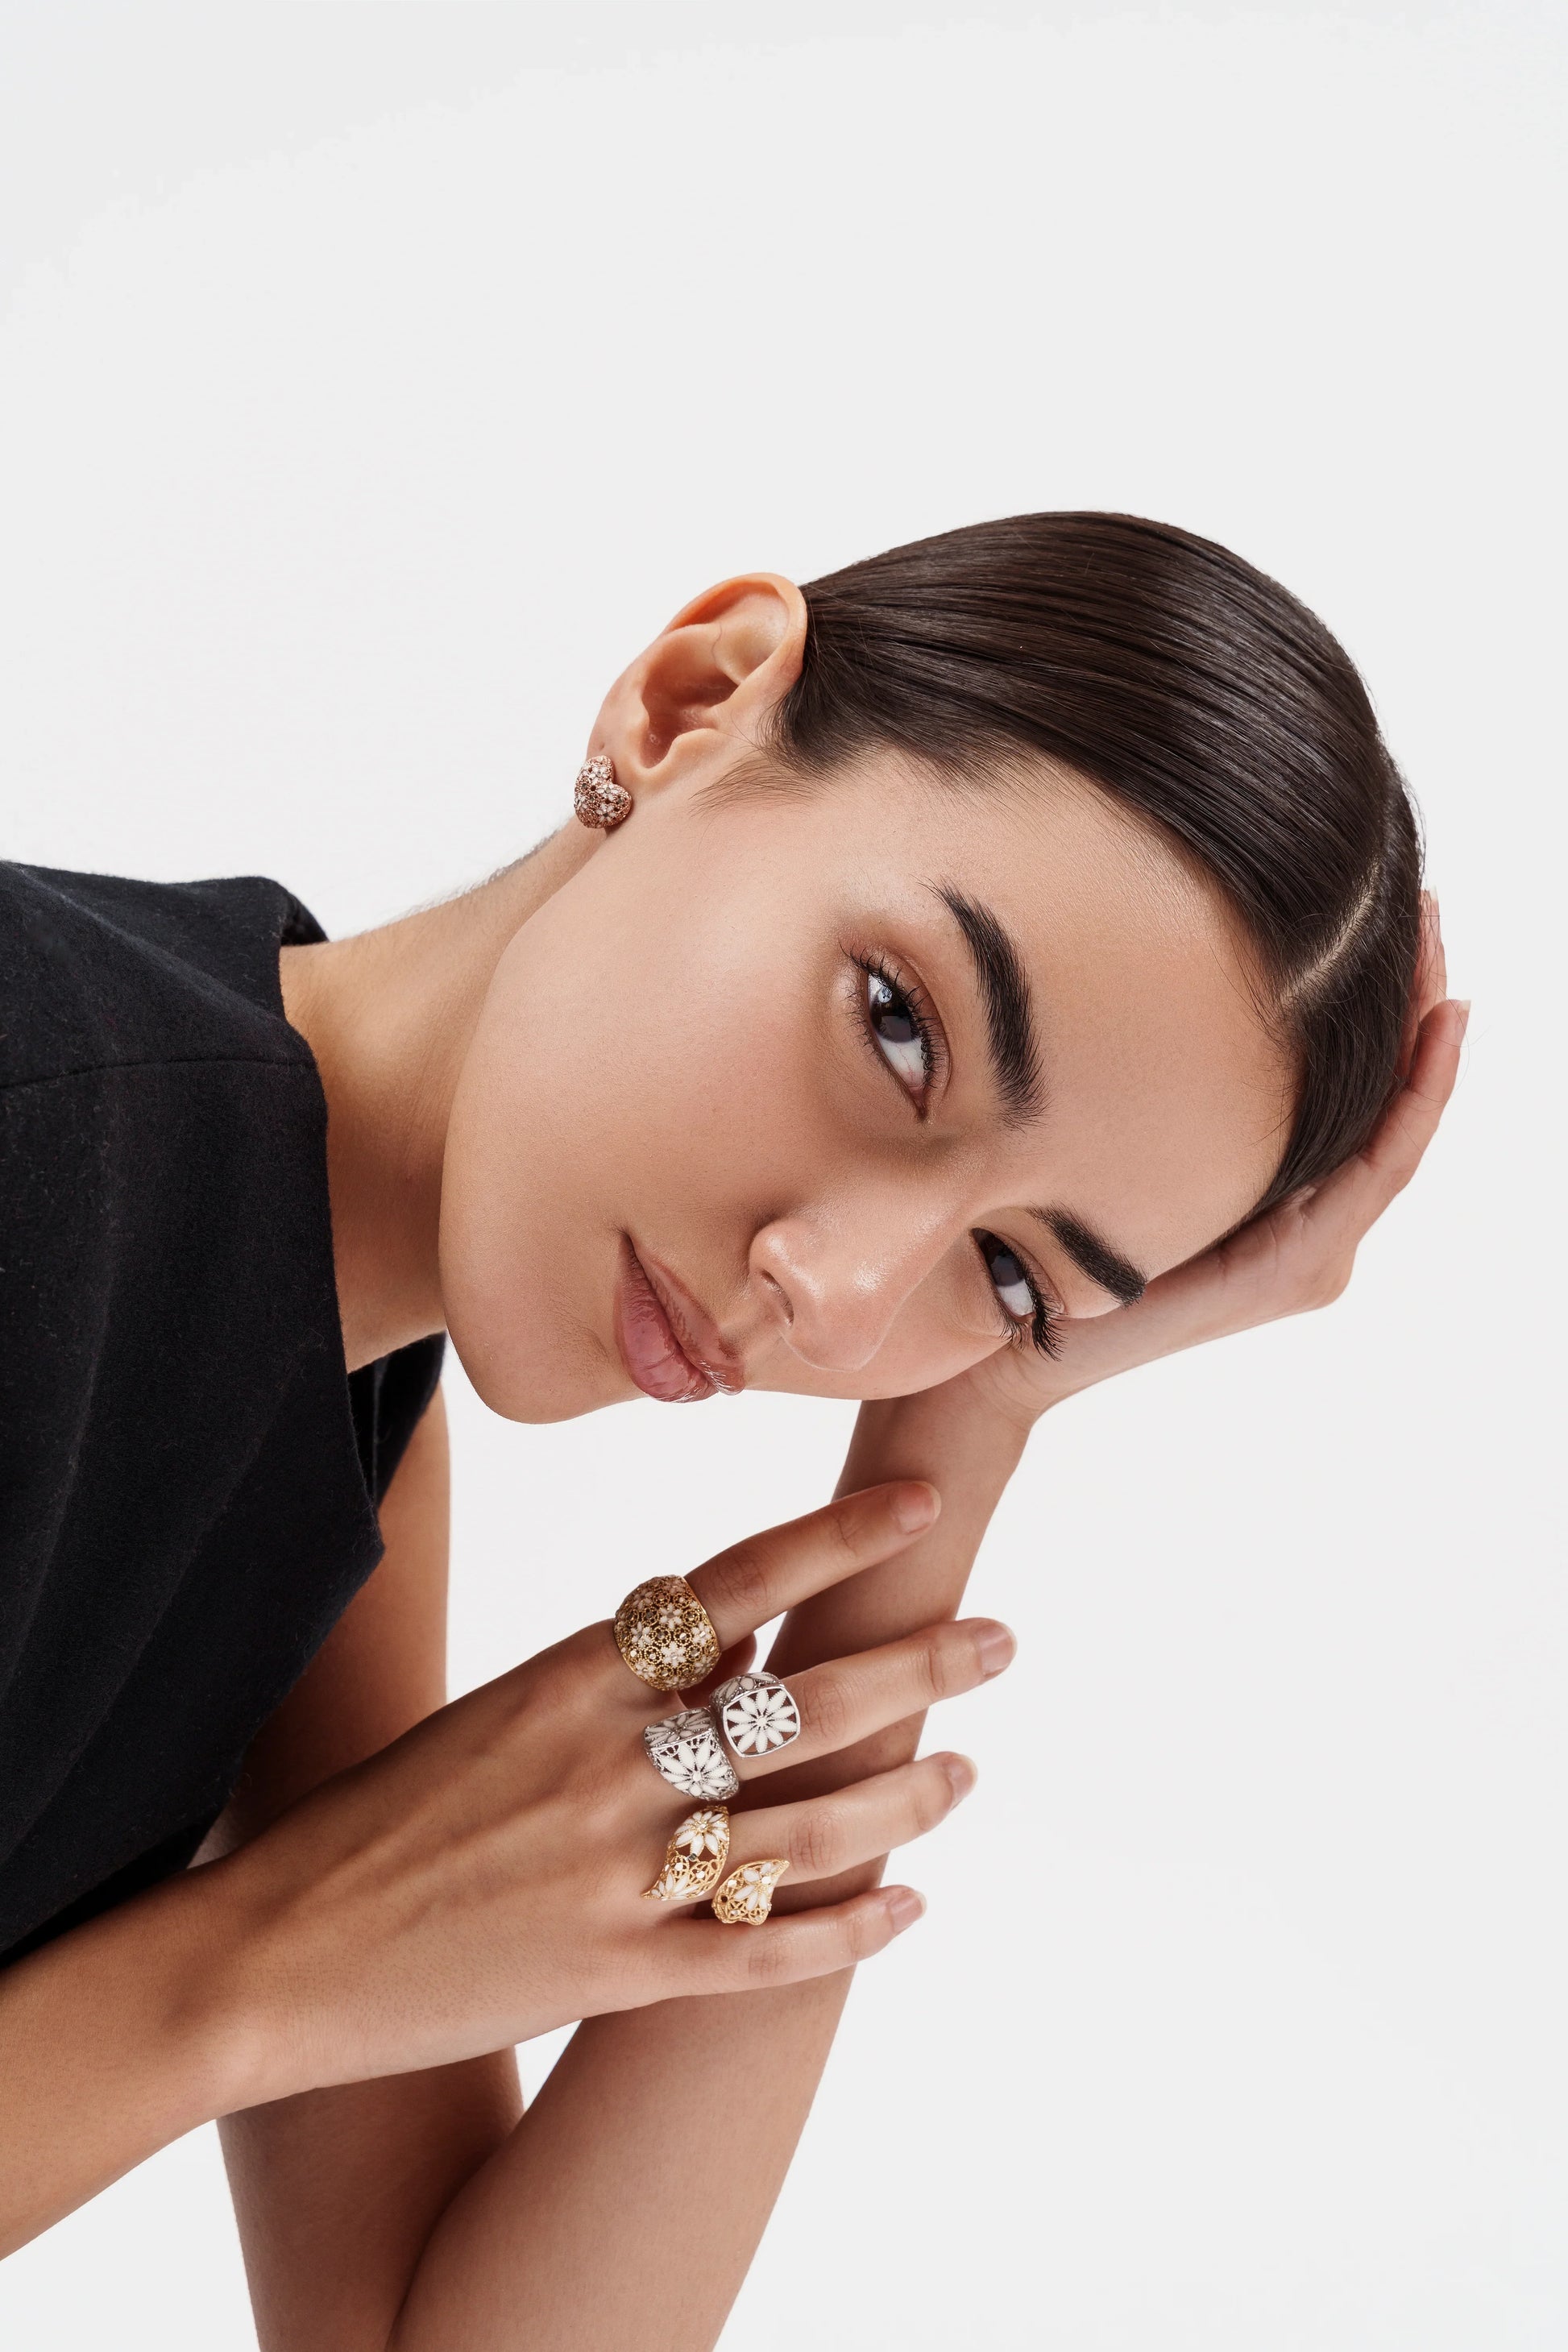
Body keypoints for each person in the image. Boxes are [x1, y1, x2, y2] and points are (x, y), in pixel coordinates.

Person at [0, 512, 1463, 2348]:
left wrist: (971, 1420)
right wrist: (254, 1971)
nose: (837, 1298)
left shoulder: (326, 1417)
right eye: (898, 1026)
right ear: (690, 704)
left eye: (1008, 1268)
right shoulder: (44, 1115)